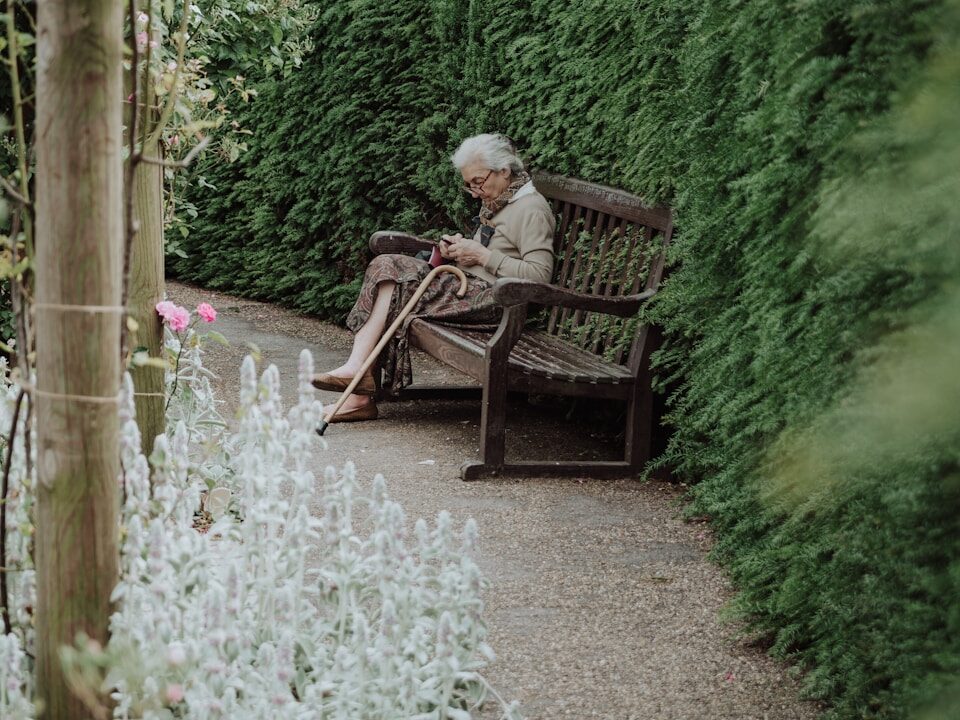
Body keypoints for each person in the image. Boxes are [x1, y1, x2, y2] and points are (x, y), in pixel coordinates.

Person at [311, 133, 556, 421]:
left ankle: (358, 389)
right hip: (470, 290)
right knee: (387, 269)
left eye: (478, 182)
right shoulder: (501, 199)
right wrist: (457, 251)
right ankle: (357, 381)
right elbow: (491, 251)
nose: (474, 191)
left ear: (504, 170)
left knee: (393, 275)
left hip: (498, 304)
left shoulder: (531, 208)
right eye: (468, 185)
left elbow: (540, 277)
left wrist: (481, 256)